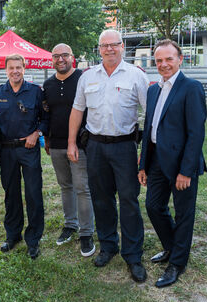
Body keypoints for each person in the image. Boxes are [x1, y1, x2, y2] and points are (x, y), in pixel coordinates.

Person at [67, 29, 148, 283]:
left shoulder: (136, 75)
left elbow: (149, 112)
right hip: (96, 147)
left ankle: (133, 255)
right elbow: (77, 110)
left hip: (125, 146)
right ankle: (108, 246)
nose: (109, 49)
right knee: (101, 199)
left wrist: (145, 153)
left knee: (128, 200)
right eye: (105, 45)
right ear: (99, 49)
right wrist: (71, 142)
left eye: (114, 45)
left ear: (123, 47)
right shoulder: (87, 76)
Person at [138, 39, 207, 288]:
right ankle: (171, 246)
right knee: (154, 206)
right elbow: (149, 127)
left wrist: (186, 171)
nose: (163, 64)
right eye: (159, 60)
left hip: (181, 164)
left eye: (169, 59)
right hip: (156, 160)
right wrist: (143, 163)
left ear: (180, 59)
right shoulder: (153, 89)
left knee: (184, 214)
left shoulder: (191, 87)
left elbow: (196, 133)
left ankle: (177, 263)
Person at [0, 54, 48, 259]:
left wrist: (37, 133)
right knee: (11, 194)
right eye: (11, 68)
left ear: (24, 68)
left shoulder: (35, 92)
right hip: (7, 150)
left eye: (18, 67)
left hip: (28, 148)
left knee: (33, 194)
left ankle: (33, 240)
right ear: (5, 70)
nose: (15, 71)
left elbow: (46, 118)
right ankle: (12, 235)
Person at [43, 43, 95, 255]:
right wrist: (46, 139)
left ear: (72, 57)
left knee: (82, 187)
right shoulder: (48, 84)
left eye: (64, 55)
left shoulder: (84, 79)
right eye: (56, 56)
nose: (60, 59)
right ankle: (70, 224)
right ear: (52, 60)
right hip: (56, 144)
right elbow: (46, 114)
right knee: (65, 186)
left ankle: (86, 232)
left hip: (81, 144)